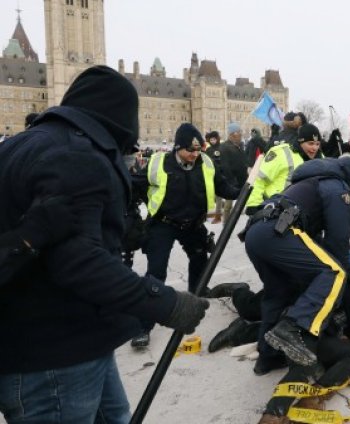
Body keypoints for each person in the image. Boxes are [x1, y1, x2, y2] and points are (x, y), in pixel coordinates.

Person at [0, 66, 209, 424]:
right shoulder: (76, 156)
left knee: (116, 417)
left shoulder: (24, 144)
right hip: (53, 352)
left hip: (79, 339)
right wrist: (167, 303)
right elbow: (79, 263)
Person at [245, 153, 350, 371]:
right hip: (278, 232)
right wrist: (348, 268)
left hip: (258, 232)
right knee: (334, 272)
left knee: (279, 292)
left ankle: (268, 357)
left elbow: (314, 241)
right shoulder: (337, 188)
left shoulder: (311, 181)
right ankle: (293, 327)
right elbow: (338, 239)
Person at [131, 122, 238, 347]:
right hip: (163, 224)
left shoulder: (205, 162)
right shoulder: (159, 163)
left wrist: (244, 191)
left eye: (198, 149)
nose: (194, 154)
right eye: (190, 150)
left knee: (200, 260)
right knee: (156, 273)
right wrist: (135, 210)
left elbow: (222, 186)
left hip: (193, 224)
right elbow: (135, 185)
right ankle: (143, 326)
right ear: (178, 148)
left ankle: (196, 294)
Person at [245, 124, 322, 215]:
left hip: (303, 212)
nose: (314, 148)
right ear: (300, 142)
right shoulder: (281, 153)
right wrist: (254, 206)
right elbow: (259, 179)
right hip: (274, 210)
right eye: (310, 143)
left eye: (317, 144)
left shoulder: (321, 159)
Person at [220, 122, 250, 225]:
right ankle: (226, 224)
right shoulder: (224, 147)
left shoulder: (239, 146)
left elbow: (242, 161)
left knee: (242, 203)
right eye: (239, 133)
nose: (241, 135)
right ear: (232, 134)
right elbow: (225, 166)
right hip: (231, 181)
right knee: (228, 205)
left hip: (242, 180)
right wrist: (232, 181)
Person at [205, 130, 223, 223]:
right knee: (211, 195)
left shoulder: (221, 148)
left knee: (218, 196)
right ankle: (211, 214)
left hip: (219, 174)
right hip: (210, 175)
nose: (212, 141)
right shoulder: (208, 150)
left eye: (214, 139)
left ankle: (218, 215)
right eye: (211, 139)